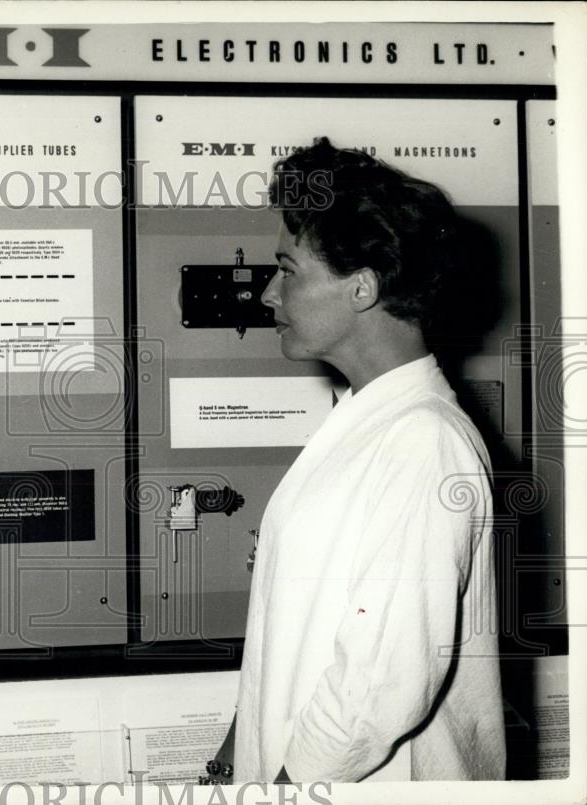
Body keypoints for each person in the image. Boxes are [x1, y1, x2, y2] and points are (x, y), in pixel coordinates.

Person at [211, 137, 505, 783]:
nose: (267, 294)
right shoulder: (361, 422)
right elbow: (287, 636)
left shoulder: (422, 440)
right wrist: (231, 761)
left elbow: (380, 682)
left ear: (362, 288)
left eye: (288, 269)